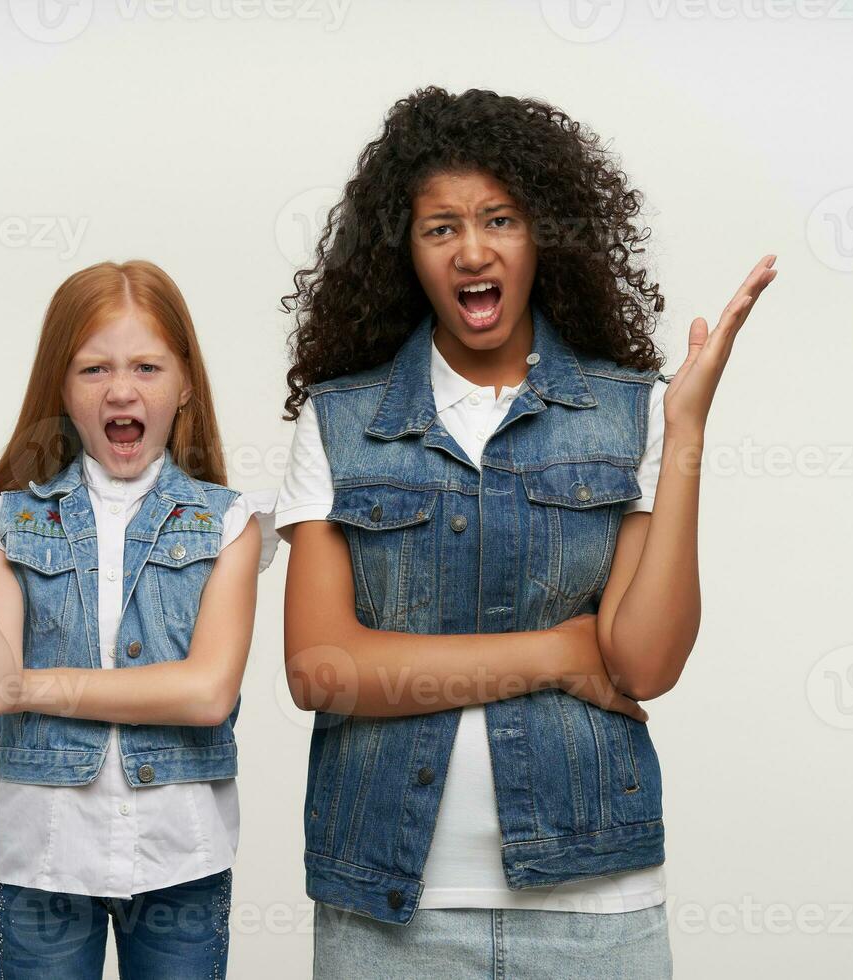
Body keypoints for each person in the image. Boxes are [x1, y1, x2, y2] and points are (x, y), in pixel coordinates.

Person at [274, 86, 775, 978]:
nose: (473, 249)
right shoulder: (340, 422)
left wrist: (687, 431)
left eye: (500, 219)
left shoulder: (634, 413)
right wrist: (557, 654)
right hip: (389, 908)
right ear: (406, 253)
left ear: (544, 236)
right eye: (441, 228)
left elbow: (645, 664)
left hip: (595, 903)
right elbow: (322, 668)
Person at [0, 259, 278, 979]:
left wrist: (29, 686)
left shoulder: (230, 522)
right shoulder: (3, 521)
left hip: (182, 858)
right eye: (93, 370)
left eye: (146, 366)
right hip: (42, 857)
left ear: (184, 385)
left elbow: (205, 695)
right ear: (63, 390)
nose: (121, 389)